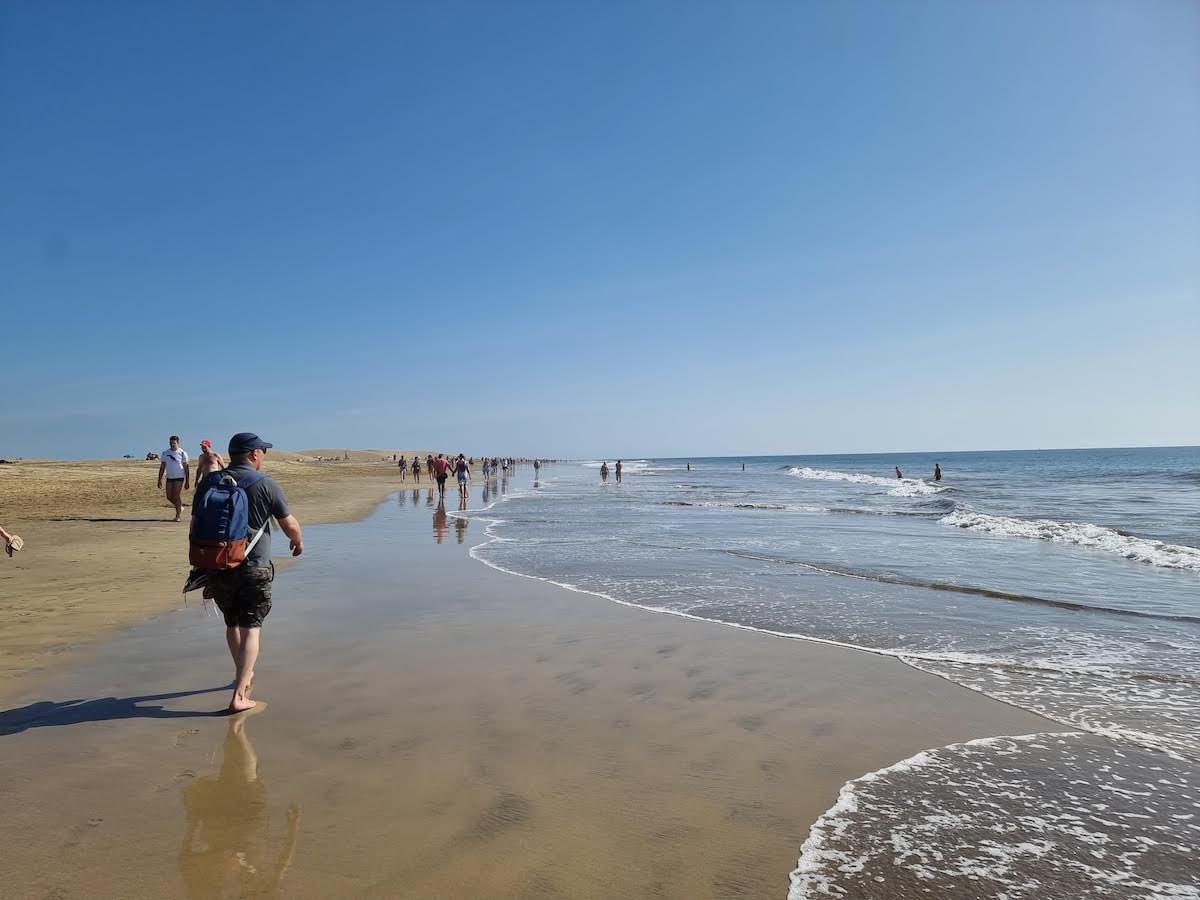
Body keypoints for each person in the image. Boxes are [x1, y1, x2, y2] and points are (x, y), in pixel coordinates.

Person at [193, 433, 303, 714]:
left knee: (232, 623)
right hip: (254, 567)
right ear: (253, 454)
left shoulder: (210, 482)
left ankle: (243, 673)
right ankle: (239, 695)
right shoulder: (265, 484)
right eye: (263, 451)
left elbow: (196, 521)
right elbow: (289, 523)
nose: (264, 455)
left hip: (217, 564)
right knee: (251, 626)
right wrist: (297, 541)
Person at [158, 435, 191, 522]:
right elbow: (162, 467)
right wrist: (159, 480)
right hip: (169, 477)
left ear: (178, 443)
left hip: (179, 476)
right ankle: (179, 506)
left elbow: (186, 468)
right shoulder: (165, 453)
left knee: (176, 495)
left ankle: (178, 515)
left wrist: (187, 481)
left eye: (174, 443)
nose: (172, 444)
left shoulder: (182, 453)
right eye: (171, 443)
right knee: (169, 496)